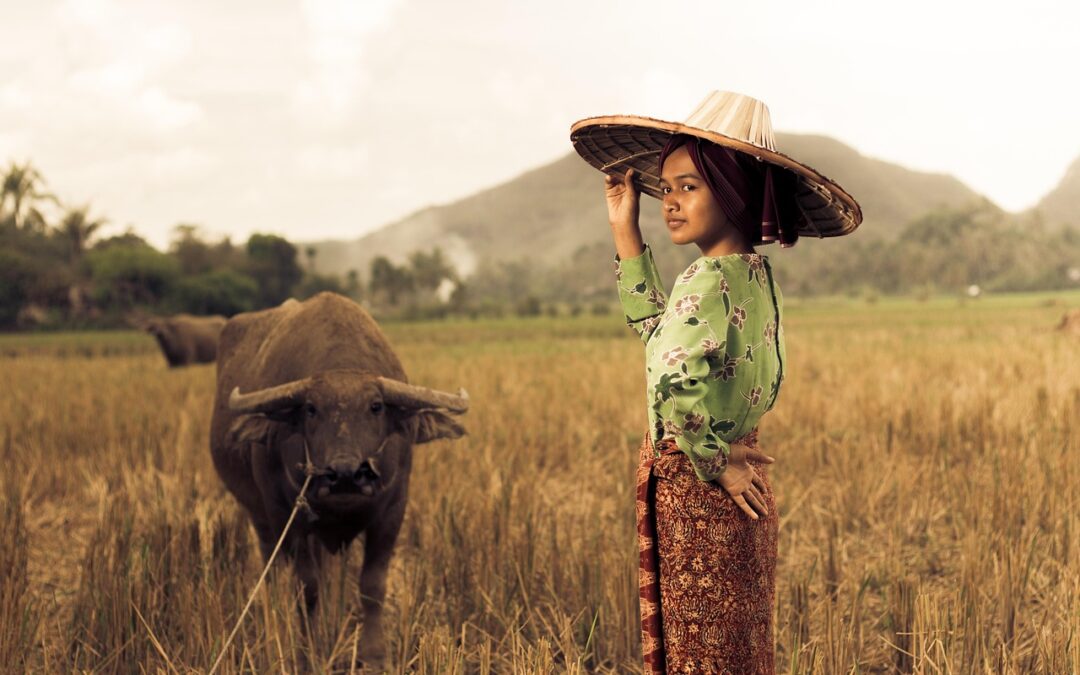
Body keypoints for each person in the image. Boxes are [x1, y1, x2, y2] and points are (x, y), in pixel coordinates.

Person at [570, 91, 862, 673]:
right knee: (735, 645)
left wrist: (712, 459)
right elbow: (664, 338)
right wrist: (624, 229)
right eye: (667, 188)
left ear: (733, 193)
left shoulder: (705, 280)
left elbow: (671, 377)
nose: (669, 204)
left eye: (688, 187)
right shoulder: (752, 275)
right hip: (733, 480)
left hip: (702, 485)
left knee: (701, 650)